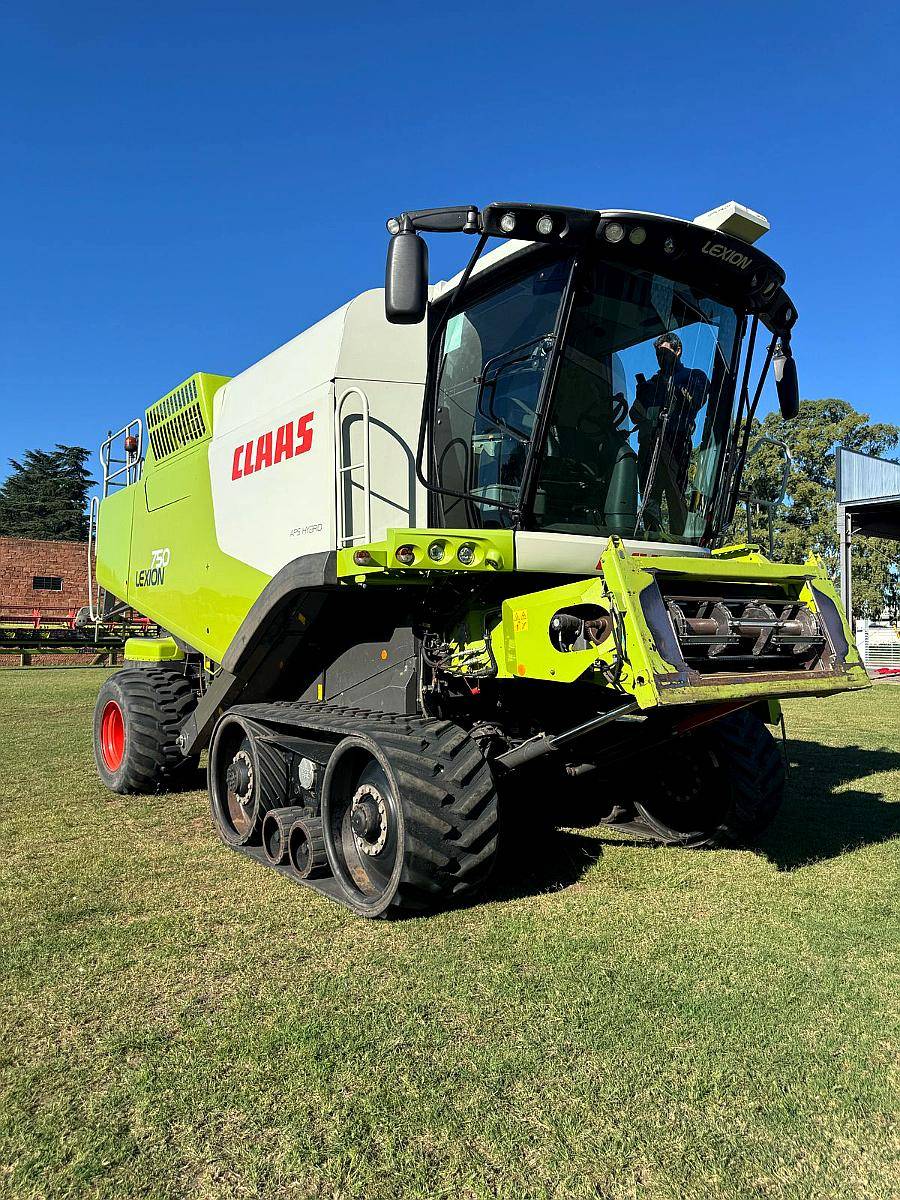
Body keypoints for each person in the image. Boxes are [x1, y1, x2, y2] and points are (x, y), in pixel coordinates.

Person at [630, 332, 709, 535]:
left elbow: (695, 402)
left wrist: (668, 387)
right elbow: (635, 415)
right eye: (658, 354)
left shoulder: (694, 376)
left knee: (676, 496)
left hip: (676, 443)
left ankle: (679, 540)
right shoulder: (650, 384)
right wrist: (644, 395)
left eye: (664, 352)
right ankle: (651, 536)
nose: (660, 358)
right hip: (649, 444)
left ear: (678, 351)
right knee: (649, 498)